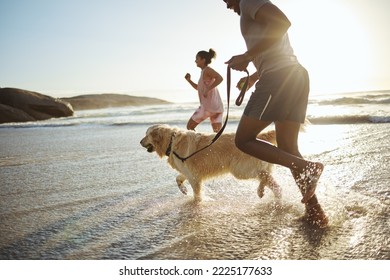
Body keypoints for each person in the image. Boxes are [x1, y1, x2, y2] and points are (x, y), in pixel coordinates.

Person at [222, 0, 328, 227]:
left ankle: (309, 167)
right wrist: (252, 77)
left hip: (278, 79)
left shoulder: (248, 1)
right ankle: (315, 212)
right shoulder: (250, 8)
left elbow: (282, 23)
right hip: (293, 74)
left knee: (243, 140)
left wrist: (247, 56)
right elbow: (275, 47)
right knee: (288, 149)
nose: (227, 5)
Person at [185, 49, 224, 133]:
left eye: (197, 58)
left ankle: (199, 145)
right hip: (217, 107)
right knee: (217, 134)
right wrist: (189, 80)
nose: (195, 61)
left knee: (189, 127)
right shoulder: (204, 72)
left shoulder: (207, 70)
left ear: (203, 60)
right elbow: (199, 88)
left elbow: (220, 78)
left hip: (207, 108)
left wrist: (207, 89)